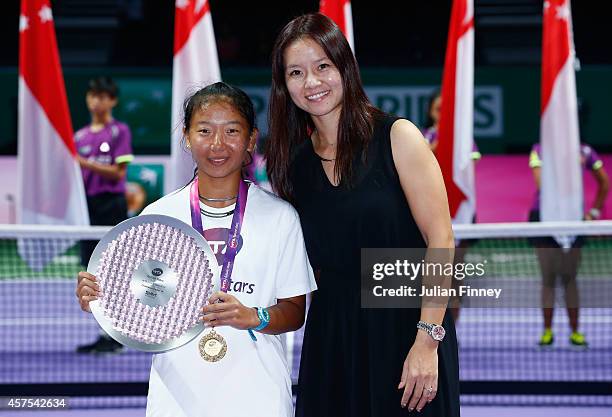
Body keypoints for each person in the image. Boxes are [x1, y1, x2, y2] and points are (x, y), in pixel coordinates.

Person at [76, 82, 317, 417]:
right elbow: (137, 302)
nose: (218, 144)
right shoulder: (158, 217)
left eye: (232, 130)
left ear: (250, 140)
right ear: (187, 137)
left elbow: (294, 311)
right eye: (204, 130)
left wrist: (253, 316)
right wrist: (101, 300)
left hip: (258, 397)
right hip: (177, 398)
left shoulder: (280, 217)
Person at [265, 14, 459, 417]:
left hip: (406, 329)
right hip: (332, 338)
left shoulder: (398, 137)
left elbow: (440, 239)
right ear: (284, 86)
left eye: (323, 66)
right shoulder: (293, 166)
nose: (312, 82)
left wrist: (426, 342)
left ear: (344, 68)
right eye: (296, 73)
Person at [529, 142, 609, 347]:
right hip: (544, 217)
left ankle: (575, 332)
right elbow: (542, 185)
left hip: (573, 217)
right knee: (548, 277)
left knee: (570, 278)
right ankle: (547, 331)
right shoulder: (540, 149)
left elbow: (605, 182)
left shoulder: (586, 151)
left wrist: (594, 212)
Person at [75, 76, 133, 354]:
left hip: (111, 205)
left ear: (112, 101)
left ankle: (119, 332)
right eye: (92, 95)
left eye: (102, 96)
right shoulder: (80, 136)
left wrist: (83, 163)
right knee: (91, 270)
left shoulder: (118, 131)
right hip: (86, 207)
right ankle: (105, 331)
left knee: (113, 269)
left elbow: (118, 173)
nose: (96, 101)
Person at [422, 90, 482, 323]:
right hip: (429, 212)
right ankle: (431, 321)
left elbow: (468, 172)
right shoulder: (422, 137)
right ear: (431, 112)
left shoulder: (464, 141)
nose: (442, 113)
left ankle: (451, 327)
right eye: (438, 109)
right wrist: (439, 146)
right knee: (433, 273)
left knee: (455, 274)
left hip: (462, 215)